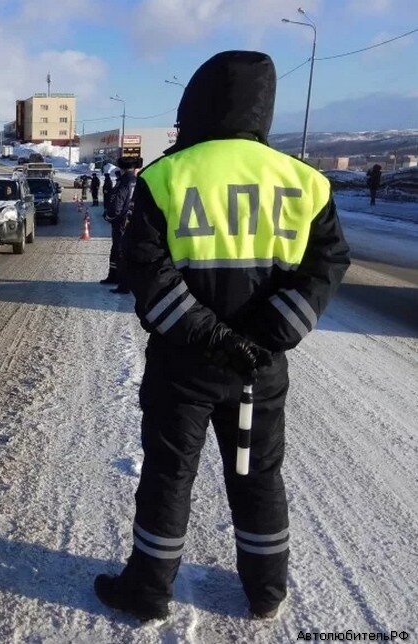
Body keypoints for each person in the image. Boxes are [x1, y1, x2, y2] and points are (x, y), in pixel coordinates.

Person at [94, 50, 350, 622]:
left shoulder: (165, 177)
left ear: (199, 104)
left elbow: (146, 271)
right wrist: (267, 334)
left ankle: (149, 591)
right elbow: (327, 264)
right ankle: (266, 594)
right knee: (257, 476)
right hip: (260, 370)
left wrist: (211, 336)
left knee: (168, 474)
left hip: (184, 365)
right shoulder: (305, 183)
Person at [100, 157, 138, 285]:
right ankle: (117, 277)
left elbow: (117, 204)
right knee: (125, 250)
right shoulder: (138, 181)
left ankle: (120, 280)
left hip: (122, 221)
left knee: (118, 250)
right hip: (133, 221)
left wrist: (108, 216)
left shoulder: (124, 182)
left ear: (122, 169)